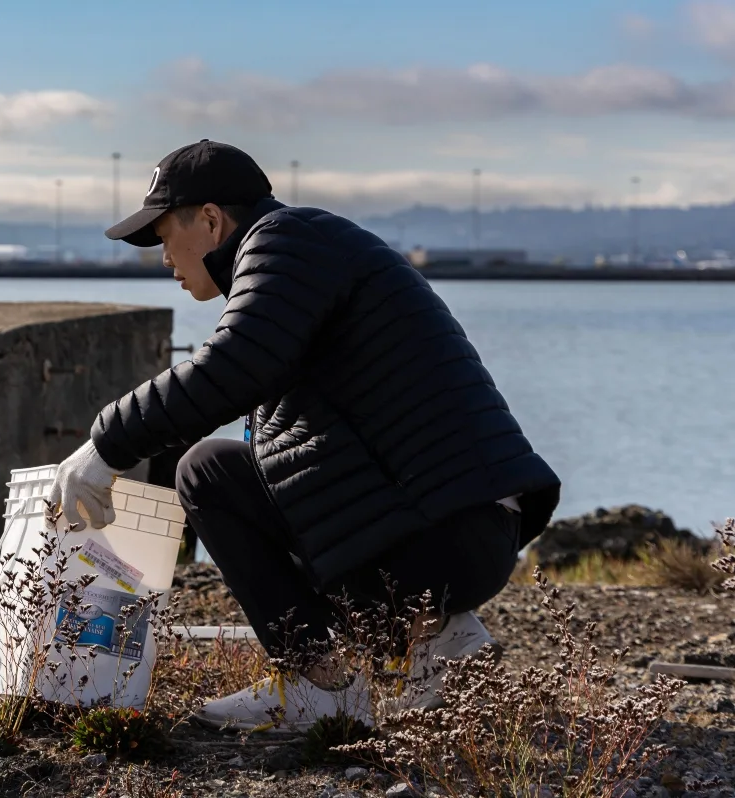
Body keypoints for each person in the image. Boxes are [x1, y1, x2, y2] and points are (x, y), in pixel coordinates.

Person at [47, 140, 561, 731]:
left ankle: (322, 686)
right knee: (258, 466)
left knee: (207, 472)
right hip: (463, 525)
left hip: (441, 532)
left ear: (211, 220)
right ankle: (438, 639)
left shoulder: (283, 242)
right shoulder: (315, 253)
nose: (162, 257)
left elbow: (232, 367)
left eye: (164, 235)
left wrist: (106, 445)